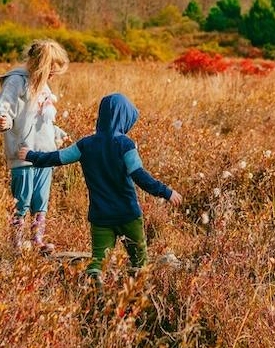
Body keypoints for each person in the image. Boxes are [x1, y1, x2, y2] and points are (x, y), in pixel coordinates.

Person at [18, 92, 183, 280]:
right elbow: (139, 176)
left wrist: (31, 156)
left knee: (98, 262)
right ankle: (137, 300)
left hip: (100, 217)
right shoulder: (125, 144)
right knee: (139, 263)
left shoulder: (85, 145)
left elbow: (58, 158)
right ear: (123, 118)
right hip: (128, 215)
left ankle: (96, 292)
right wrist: (166, 192)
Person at [0, 39, 71, 251]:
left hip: (45, 154)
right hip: (23, 154)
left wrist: (56, 132)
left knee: (41, 200)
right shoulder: (17, 82)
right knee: (22, 200)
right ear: (41, 66)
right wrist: (2, 119)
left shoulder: (44, 85)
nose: (53, 76)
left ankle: (37, 240)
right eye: (51, 71)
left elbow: (42, 120)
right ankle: (17, 243)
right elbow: (2, 105)